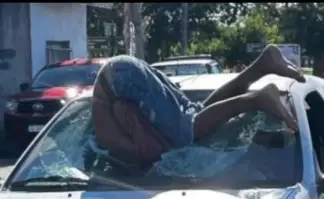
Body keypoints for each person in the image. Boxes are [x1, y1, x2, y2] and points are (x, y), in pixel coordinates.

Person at [92, 44, 306, 166]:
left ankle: (256, 99)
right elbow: (122, 110)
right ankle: (262, 65)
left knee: (187, 133)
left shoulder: (120, 146)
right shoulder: (109, 139)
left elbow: (150, 148)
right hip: (120, 75)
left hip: (121, 81)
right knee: (197, 116)